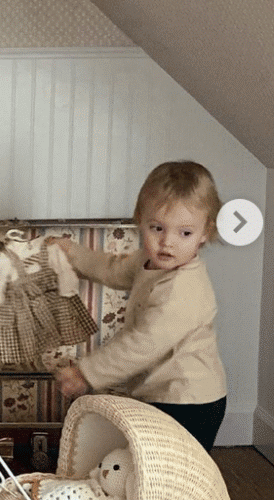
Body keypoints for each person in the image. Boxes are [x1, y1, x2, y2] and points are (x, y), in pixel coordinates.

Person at [49, 161, 227, 451]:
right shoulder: (147, 260)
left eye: (185, 233)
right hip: (160, 392)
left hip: (188, 399)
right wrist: (73, 254)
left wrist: (86, 372)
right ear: (140, 220)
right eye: (157, 228)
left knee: (171, 472)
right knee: (146, 465)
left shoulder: (183, 289)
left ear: (206, 231)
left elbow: (141, 344)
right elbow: (112, 269)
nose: (167, 242)